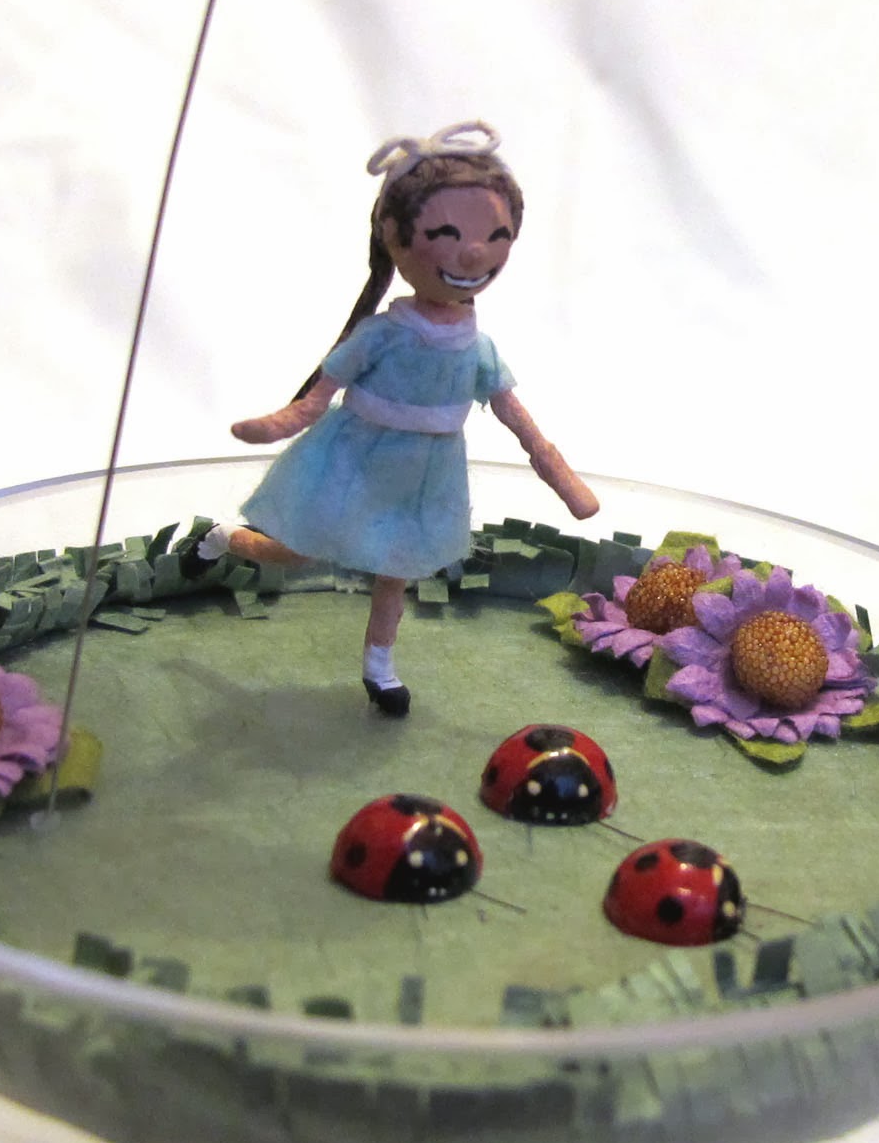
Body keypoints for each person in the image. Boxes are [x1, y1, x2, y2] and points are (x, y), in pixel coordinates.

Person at [202, 121, 598, 715]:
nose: (474, 252)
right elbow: (318, 397)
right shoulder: (383, 335)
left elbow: (514, 414)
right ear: (394, 234)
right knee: (297, 553)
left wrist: (558, 474)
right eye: (446, 234)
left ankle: (379, 668)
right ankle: (223, 538)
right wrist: (284, 422)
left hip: (425, 478)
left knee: (398, 572)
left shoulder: (477, 348)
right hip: (356, 461)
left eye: (494, 236)